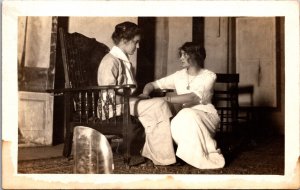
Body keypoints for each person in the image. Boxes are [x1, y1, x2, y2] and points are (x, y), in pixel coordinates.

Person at [97, 21, 176, 166]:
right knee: (158, 105)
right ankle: (161, 157)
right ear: (124, 40)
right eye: (136, 42)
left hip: (125, 104)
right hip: (111, 109)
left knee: (160, 104)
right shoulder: (110, 61)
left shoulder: (124, 62)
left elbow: (125, 92)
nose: (138, 46)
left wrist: (138, 99)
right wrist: (137, 101)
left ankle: (157, 155)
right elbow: (108, 96)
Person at [141, 42, 225, 169]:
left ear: (194, 56)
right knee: (180, 116)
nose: (180, 58)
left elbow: (192, 97)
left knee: (187, 114)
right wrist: (145, 93)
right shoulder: (178, 75)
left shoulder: (209, 76)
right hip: (183, 118)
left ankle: (204, 153)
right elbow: (152, 84)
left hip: (206, 116)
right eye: (181, 55)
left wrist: (165, 99)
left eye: (184, 55)